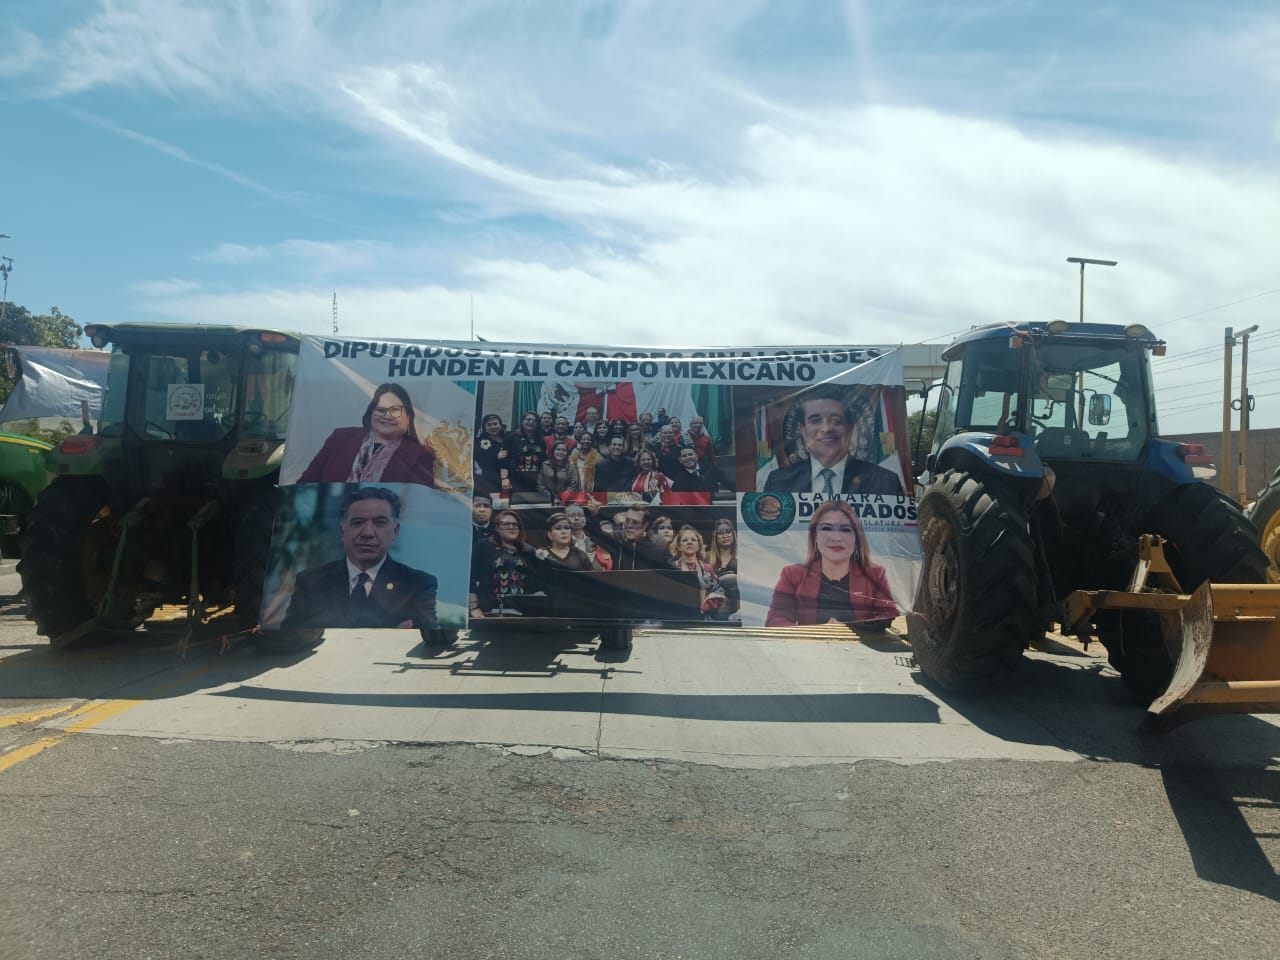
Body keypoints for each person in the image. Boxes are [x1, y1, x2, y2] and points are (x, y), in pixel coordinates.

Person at [284, 486, 437, 628]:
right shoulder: (310, 582)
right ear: (342, 532)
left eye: (380, 523)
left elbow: (428, 638)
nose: (367, 533)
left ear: (395, 532)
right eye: (357, 522)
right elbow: (289, 638)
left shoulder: (418, 585)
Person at [765, 500, 897, 626]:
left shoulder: (875, 574)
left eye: (845, 529)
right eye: (827, 528)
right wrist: (819, 633)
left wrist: (852, 630)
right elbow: (776, 619)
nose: (836, 538)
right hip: (811, 642)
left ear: (856, 538)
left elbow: (889, 616)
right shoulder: (793, 574)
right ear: (815, 536)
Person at [763, 387, 903, 495]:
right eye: (815, 420)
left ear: (850, 429)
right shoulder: (778, 482)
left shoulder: (886, 482)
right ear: (803, 431)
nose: (826, 428)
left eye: (836, 420)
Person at [299, 383, 435, 486]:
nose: (387, 416)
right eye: (380, 410)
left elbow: (420, 501)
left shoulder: (420, 455)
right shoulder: (340, 438)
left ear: (408, 416)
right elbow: (305, 484)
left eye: (395, 410)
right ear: (371, 413)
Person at [469, 509, 544, 616]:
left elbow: (536, 583)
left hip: (521, 612)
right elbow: (471, 578)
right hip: (489, 610)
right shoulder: (483, 545)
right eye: (506, 524)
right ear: (497, 528)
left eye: (515, 524)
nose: (511, 527)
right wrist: (474, 607)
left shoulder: (528, 551)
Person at [584, 500, 672, 571]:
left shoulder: (659, 544)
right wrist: (594, 514)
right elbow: (595, 535)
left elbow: (671, 571)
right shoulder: (617, 537)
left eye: (635, 522)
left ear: (645, 525)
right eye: (627, 521)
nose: (629, 526)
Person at [670, 525, 725, 618]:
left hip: (702, 618)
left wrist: (705, 607)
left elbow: (719, 591)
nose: (689, 542)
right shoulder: (671, 567)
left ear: (698, 545)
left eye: (693, 540)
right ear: (679, 546)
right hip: (677, 617)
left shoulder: (707, 569)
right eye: (685, 540)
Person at [501, 411, 546, 498]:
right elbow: (504, 459)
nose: (531, 422)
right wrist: (504, 478)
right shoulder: (511, 436)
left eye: (534, 421)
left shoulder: (540, 439)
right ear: (522, 421)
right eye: (528, 419)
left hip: (535, 480)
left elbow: (543, 459)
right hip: (515, 479)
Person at [709, 517, 739, 618]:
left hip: (737, 609)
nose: (725, 536)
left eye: (728, 532)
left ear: (733, 534)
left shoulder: (742, 557)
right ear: (715, 537)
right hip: (713, 607)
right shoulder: (707, 557)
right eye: (720, 533)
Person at [472, 413, 507, 499]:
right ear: (484, 428)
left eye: (495, 424)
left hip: (507, 481)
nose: (492, 427)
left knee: (504, 504)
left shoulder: (507, 439)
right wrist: (496, 457)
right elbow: (480, 462)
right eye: (489, 425)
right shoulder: (479, 443)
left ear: (500, 425)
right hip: (487, 481)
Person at [565, 502, 609, 570]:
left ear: (585, 519)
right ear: (565, 520)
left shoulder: (595, 542)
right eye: (572, 515)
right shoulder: (561, 542)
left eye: (580, 515)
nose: (577, 518)